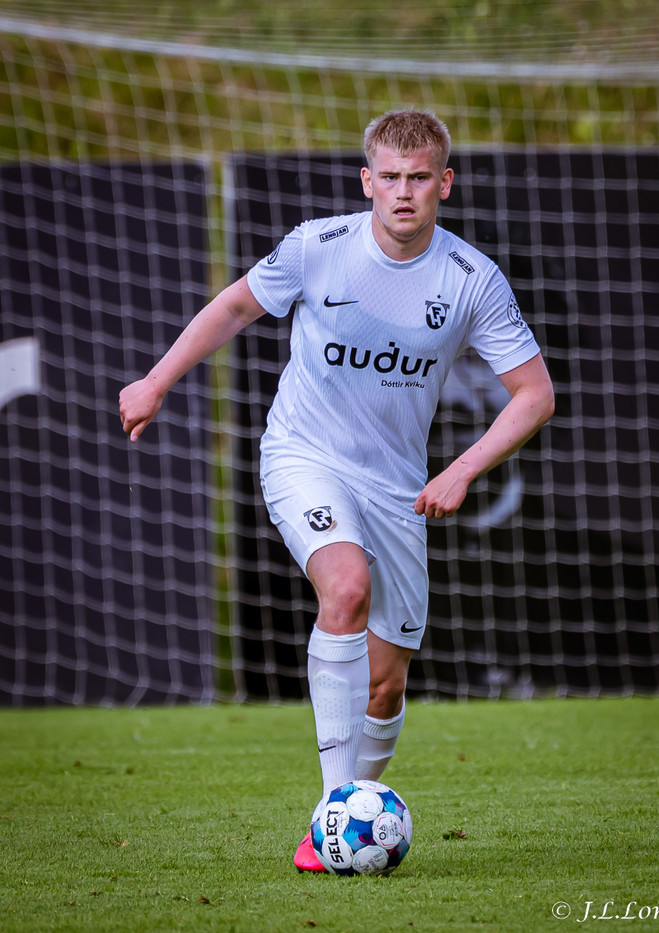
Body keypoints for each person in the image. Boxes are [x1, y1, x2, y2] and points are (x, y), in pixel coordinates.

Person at [119, 110, 555, 873]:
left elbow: (535, 393)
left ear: (445, 183)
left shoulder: (470, 279)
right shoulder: (317, 247)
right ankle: (332, 813)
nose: (403, 192)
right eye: (389, 177)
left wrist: (460, 469)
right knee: (345, 587)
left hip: (397, 489)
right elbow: (235, 305)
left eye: (419, 177)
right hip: (304, 455)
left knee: (385, 686)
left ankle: (353, 805)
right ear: (366, 181)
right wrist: (156, 380)